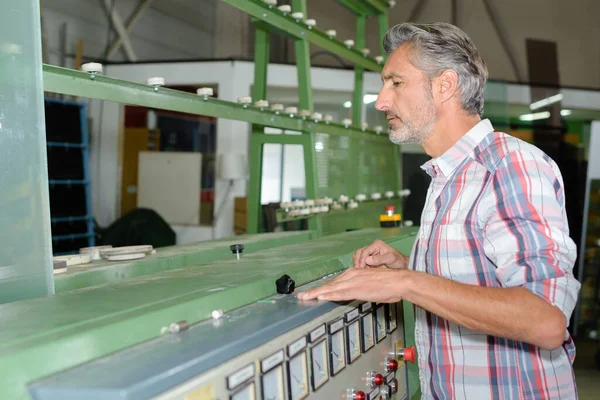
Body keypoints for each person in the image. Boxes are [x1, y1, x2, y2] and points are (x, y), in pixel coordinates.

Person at [297, 22, 580, 399]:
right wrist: (408, 268)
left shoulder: (507, 166)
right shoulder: (448, 175)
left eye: (395, 83)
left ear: (445, 85)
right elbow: (482, 277)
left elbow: (545, 320)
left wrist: (407, 283)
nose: (382, 101)